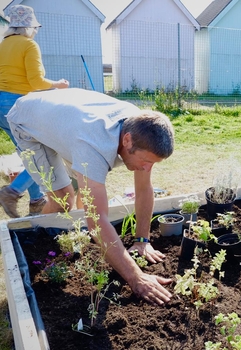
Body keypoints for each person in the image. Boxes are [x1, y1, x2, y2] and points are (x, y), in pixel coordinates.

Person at [7, 87, 175, 305]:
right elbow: (96, 221)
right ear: (127, 141)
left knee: (79, 193)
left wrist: (142, 240)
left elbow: (144, 189)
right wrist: (137, 278)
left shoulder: (140, 127)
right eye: (146, 161)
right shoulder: (93, 146)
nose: (147, 168)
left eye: (153, 163)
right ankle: (40, 244)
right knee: (63, 199)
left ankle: (64, 237)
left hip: (67, 121)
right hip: (27, 120)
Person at [0, 4, 70, 218]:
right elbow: (36, 82)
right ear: (28, 27)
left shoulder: (3, 45)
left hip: (1, 104)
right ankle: (12, 191)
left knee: (27, 153)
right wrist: (59, 84)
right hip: (19, 105)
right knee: (42, 155)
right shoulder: (29, 45)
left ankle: (37, 200)